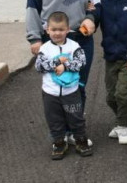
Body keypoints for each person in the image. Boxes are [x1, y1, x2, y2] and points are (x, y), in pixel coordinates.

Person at [26, 0, 94, 115]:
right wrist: (34, 38)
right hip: (53, 41)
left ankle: (75, 128)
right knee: (57, 87)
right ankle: (60, 131)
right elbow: (32, 9)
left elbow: (95, 4)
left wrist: (91, 18)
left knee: (78, 85)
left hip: (81, 40)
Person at [80, 0, 127, 145]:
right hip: (110, 58)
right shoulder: (102, 4)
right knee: (110, 97)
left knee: (122, 94)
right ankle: (126, 121)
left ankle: (122, 126)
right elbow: (93, 20)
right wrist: (88, 18)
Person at [35, 11, 92, 159]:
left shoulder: (74, 46)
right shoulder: (45, 48)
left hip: (70, 92)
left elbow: (81, 62)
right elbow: (39, 66)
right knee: (54, 118)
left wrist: (65, 66)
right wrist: (56, 61)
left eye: (61, 29)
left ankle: (80, 140)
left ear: (68, 30)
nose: (57, 33)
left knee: (76, 117)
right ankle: (59, 142)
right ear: (47, 30)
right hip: (50, 93)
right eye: (53, 29)